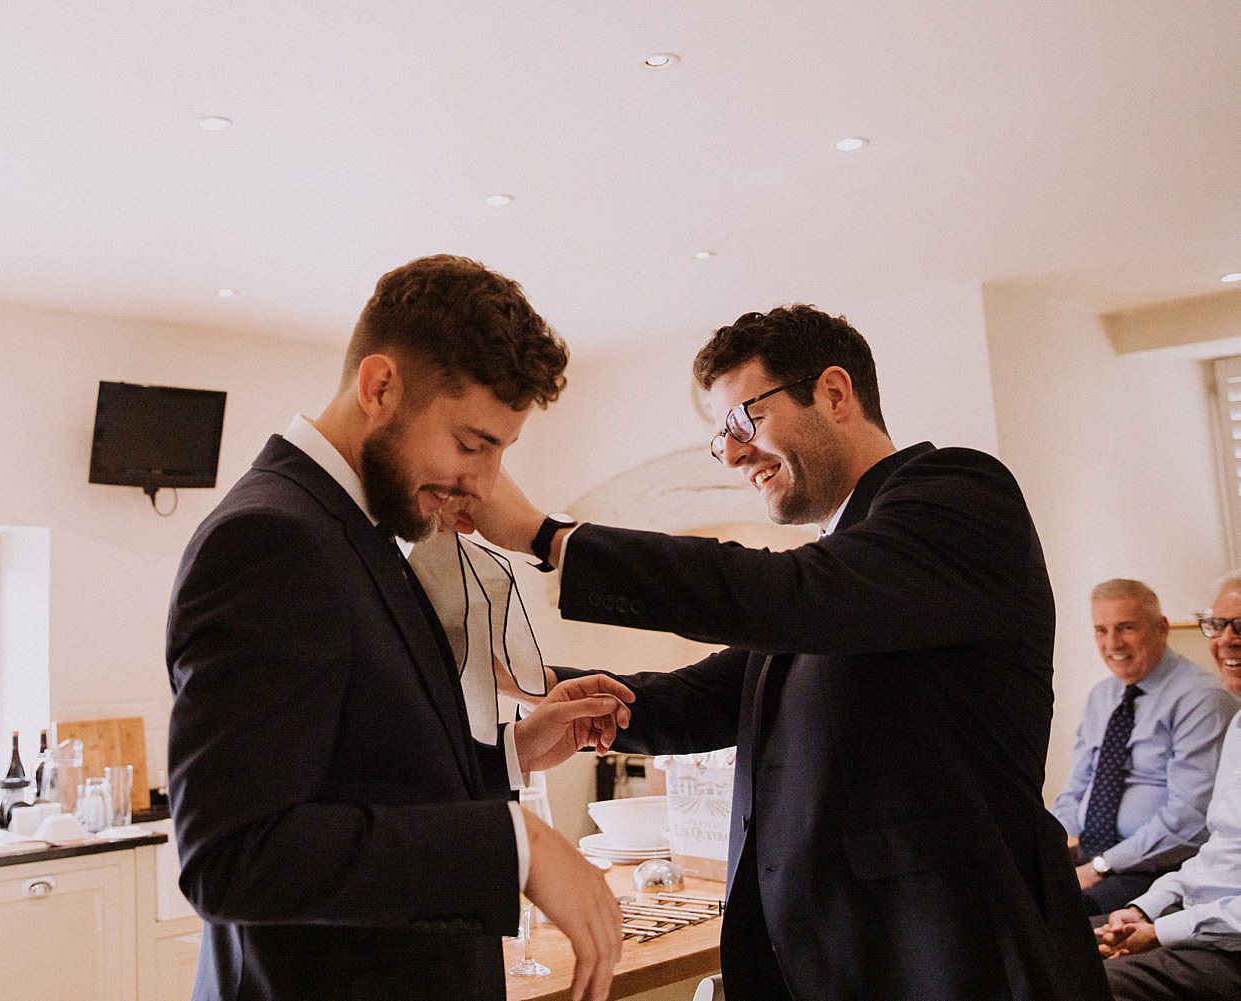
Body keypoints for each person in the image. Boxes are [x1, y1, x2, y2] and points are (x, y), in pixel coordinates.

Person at [457, 304, 1113, 1000]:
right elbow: (712, 693)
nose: (734, 453)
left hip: (952, 956)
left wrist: (545, 535)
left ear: (834, 393)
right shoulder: (836, 571)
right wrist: (532, 681)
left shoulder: (958, 497)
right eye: (722, 439)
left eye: (745, 421)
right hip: (831, 962)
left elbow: (789, 594)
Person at [165, 254, 632, 1001]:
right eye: (472, 444)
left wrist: (507, 758)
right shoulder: (271, 539)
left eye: (501, 451)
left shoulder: (352, 529)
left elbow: (355, 771)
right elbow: (234, 853)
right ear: (379, 386)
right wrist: (515, 844)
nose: (484, 483)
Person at [1096, 571, 1241, 999]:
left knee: (1075, 980)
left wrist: (1162, 930)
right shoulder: (1239, 724)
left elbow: (1185, 822)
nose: (1227, 640)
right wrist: (1145, 909)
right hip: (1196, 915)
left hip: (1227, 946)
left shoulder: (1204, 699)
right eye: (1217, 625)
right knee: (1045, 944)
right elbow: (1219, 853)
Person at [1052, 579, 1237, 915]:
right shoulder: (1101, 697)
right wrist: (1046, 850)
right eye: (1101, 630)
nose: (1112, 643)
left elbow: (1189, 820)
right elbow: (1076, 790)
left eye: (1126, 628)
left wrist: (1100, 867)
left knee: (1061, 916)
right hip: (1093, 856)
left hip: (1156, 865)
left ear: (1161, 628)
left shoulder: (1201, 699)